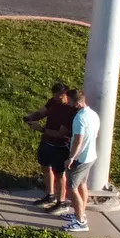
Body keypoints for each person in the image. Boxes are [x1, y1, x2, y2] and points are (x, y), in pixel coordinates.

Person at [24, 82, 76, 211]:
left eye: (60, 97)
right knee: (46, 167)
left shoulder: (71, 111)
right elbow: (42, 112)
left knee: (60, 174)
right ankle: (50, 195)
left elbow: (61, 133)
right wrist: (31, 117)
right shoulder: (53, 101)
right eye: (54, 96)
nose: (56, 99)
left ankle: (61, 201)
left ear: (66, 95)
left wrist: (41, 129)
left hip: (61, 146)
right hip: (47, 142)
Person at [62, 88, 101, 233]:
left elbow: (78, 140)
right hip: (90, 156)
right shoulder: (93, 114)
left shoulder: (79, 118)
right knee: (82, 184)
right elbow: (95, 134)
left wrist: (71, 158)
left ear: (77, 103)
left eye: (69, 101)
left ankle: (80, 222)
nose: (67, 103)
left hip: (80, 159)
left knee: (71, 188)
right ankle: (81, 213)